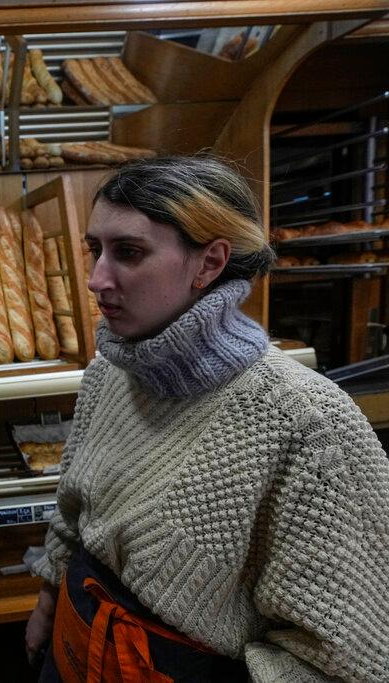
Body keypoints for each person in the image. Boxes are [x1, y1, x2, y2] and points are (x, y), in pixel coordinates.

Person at [25, 155, 389, 682]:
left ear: (210, 262)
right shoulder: (109, 373)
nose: (95, 279)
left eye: (128, 252)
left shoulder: (308, 424)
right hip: (78, 645)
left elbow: (345, 658)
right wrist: (46, 601)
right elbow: (74, 513)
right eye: (95, 250)